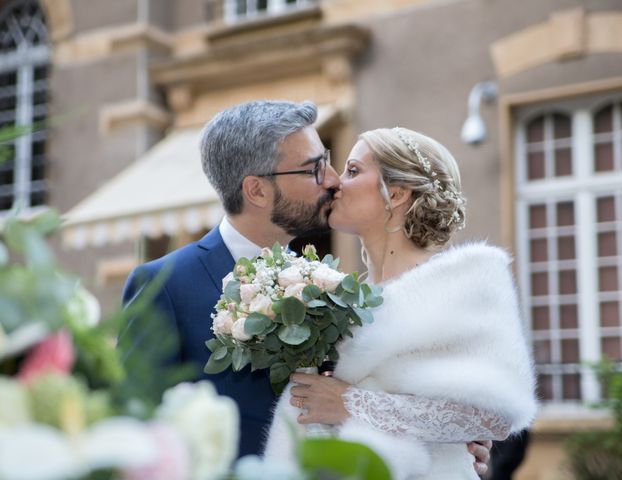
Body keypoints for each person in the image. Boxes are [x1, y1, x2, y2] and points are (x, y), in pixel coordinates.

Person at [120, 101, 494, 470]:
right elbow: (134, 433)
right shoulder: (164, 287)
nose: (332, 179)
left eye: (328, 160)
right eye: (313, 168)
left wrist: (443, 441)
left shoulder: (333, 287)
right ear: (257, 190)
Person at [264, 127, 537, 479]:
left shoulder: (466, 283)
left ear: (395, 193)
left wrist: (348, 403)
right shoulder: (336, 298)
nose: (335, 183)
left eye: (353, 170)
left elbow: (496, 415)